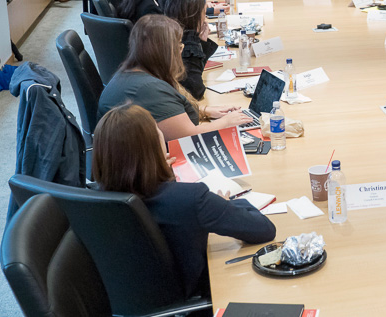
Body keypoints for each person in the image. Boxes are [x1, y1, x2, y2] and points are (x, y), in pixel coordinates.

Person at [92, 103, 275, 297]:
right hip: (189, 299)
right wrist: (222, 204)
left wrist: (162, 173)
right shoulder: (191, 199)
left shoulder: (92, 202)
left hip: (125, 299)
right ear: (153, 147)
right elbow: (263, 230)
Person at [98, 15, 252, 140]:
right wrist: (227, 122)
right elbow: (187, 135)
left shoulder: (134, 71)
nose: (181, 51)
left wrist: (205, 111)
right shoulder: (149, 89)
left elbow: (166, 114)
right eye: (179, 46)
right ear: (166, 52)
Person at [158, 0, 217, 100]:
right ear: (194, 17)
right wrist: (198, 44)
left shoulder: (168, 31)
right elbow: (195, 91)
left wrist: (202, 43)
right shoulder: (186, 43)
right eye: (204, 13)